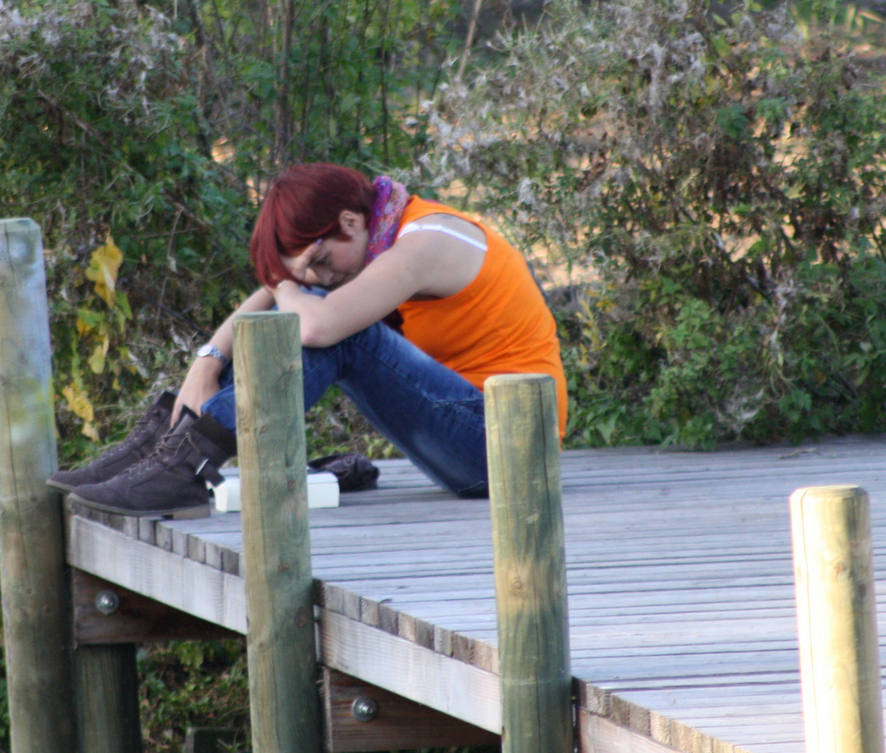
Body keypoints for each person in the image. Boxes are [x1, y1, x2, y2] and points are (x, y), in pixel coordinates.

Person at [50, 163, 567, 517]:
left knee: (338, 332)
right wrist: (205, 363)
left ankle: (186, 466)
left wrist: (289, 286)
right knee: (306, 308)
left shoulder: (426, 241)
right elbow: (282, 297)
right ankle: (160, 452)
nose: (319, 276)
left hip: (512, 450)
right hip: (473, 438)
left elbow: (317, 326)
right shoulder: (374, 238)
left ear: (349, 221)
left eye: (321, 261)